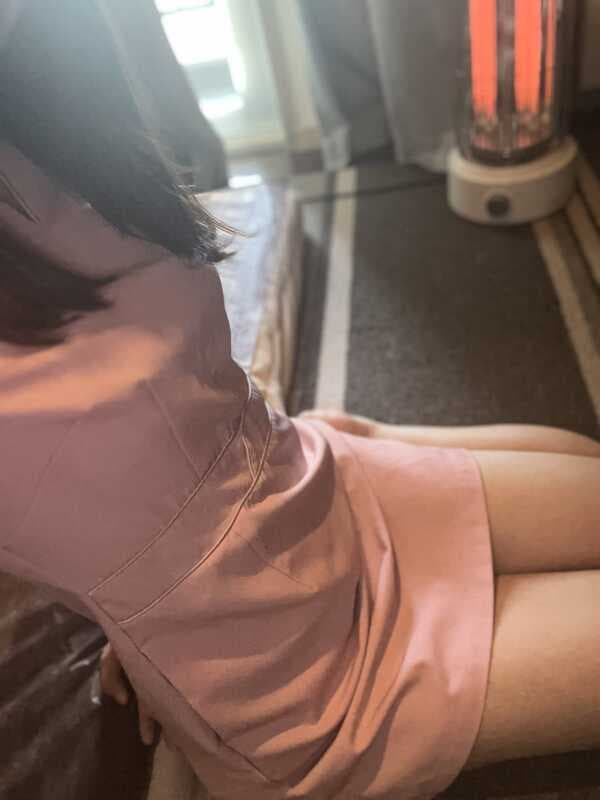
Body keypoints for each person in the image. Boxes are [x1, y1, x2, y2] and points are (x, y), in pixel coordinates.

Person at [1, 2, 599, 799]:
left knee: (587, 473)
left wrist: (108, 589)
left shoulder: (45, 87)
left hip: (304, 480)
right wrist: (131, 604)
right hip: (301, 678)